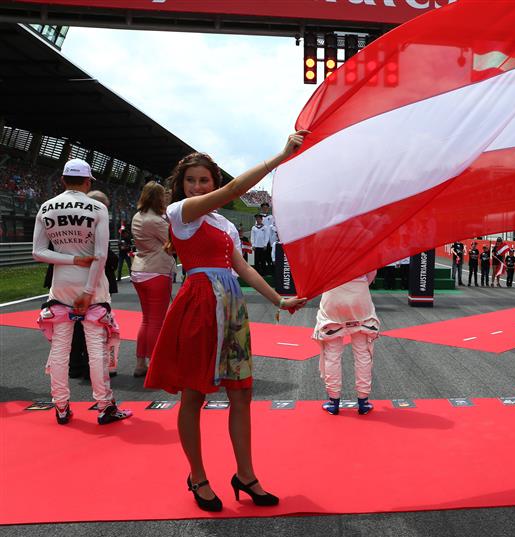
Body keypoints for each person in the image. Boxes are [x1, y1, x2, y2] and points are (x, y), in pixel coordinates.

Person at [145, 133, 308, 512]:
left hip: (230, 306)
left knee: (242, 394)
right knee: (194, 394)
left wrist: (279, 299)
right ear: (181, 185)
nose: (197, 185)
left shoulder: (223, 225)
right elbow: (237, 187)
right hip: (200, 304)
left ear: (212, 182)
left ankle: (246, 474)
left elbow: (242, 268)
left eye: (204, 180)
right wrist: (282, 156)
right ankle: (198, 477)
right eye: (191, 180)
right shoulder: (180, 213)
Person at [32, 158, 132, 426]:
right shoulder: (98, 207)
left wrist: (71, 260)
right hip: (93, 287)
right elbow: (100, 255)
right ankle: (104, 406)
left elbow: (38, 252)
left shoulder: (46, 207)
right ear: (87, 182)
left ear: (63, 180)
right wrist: (88, 289)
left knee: (60, 348)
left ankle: (61, 407)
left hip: (61, 285)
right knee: (96, 347)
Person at [314, 271, 380, 416]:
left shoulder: (325, 247)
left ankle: (333, 402)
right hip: (359, 296)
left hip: (333, 295)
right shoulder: (363, 247)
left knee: (332, 354)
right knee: (363, 353)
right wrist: (358, 286)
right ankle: (363, 402)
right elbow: (372, 271)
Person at [130, 181, 176, 378]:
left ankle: (141, 362)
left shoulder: (137, 216)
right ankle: (157, 364)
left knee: (147, 320)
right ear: (159, 199)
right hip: (157, 271)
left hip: (140, 269)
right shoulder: (156, 221)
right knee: (157, 321)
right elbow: (172, 245)